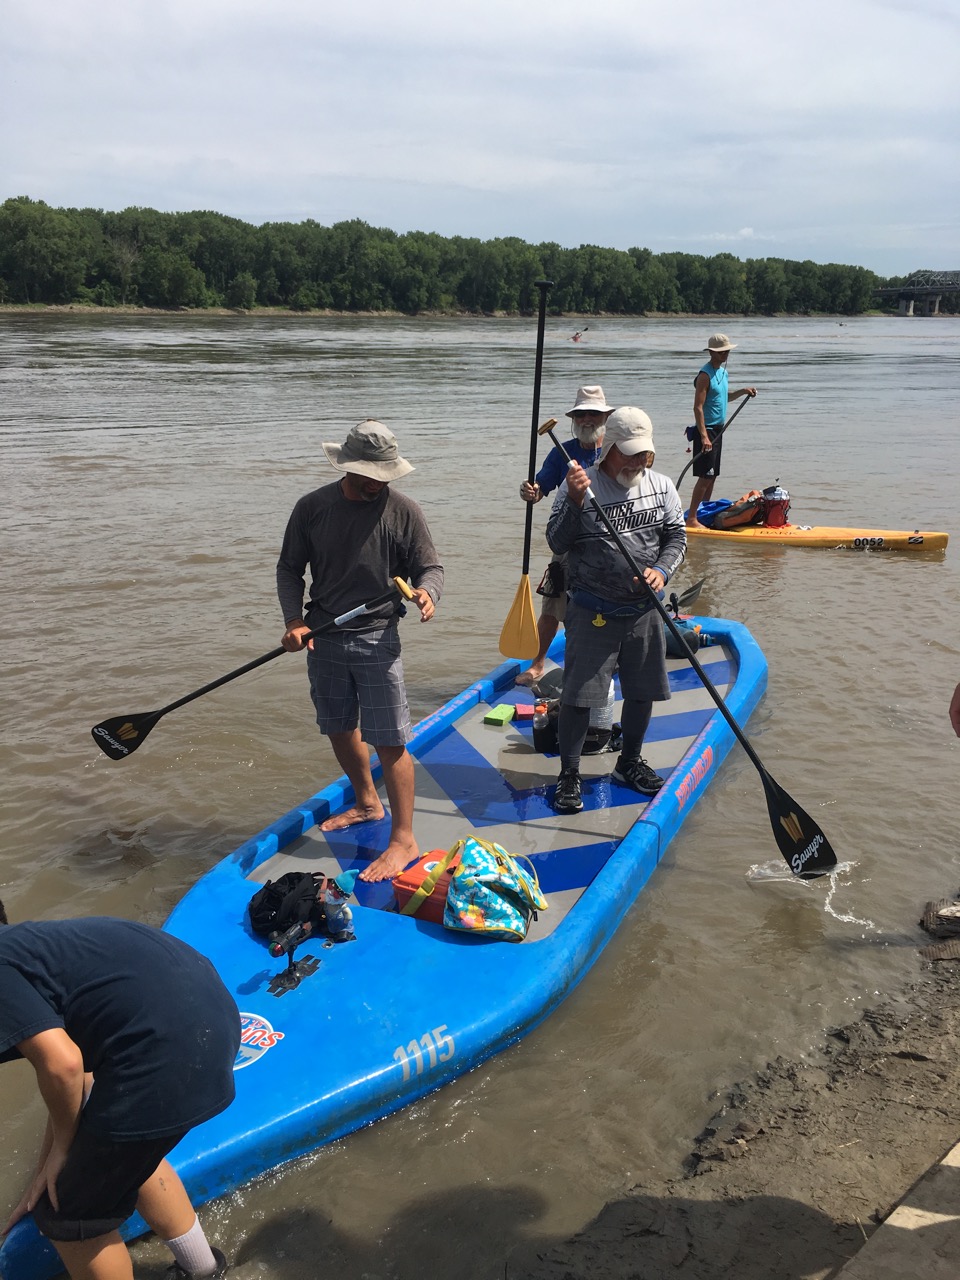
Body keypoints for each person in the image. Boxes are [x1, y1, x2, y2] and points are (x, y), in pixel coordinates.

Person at [0, 901, 240, 1280]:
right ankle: (203, 1270)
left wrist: (63, 1148)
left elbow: (63, 1064)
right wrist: (48, 1165)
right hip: (213, 1017)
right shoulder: (34, 948)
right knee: (125, 1147)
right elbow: (80, 1075)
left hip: (164, 1051)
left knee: (69, 1217)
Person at [277, 420, 443, 883]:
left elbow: (430, 567)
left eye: (384, 475)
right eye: (369, 474)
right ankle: (367, 802)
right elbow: (290, 569)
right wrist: (295, 621)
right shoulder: (311, 509)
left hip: (378, 635)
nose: (377, 483)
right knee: (337, 725)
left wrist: (428, 593)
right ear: (346, 468)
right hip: (325, 633)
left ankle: (403, 838)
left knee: (390, 738)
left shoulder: (403, 511)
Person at [546, 407, 686, 813]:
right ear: (608, 449)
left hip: (644, 611)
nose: (639, 461)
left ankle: (630, 762)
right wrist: (573, 499)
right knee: (578, 697)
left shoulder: (661, 487)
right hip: (593, 611)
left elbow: (677, 537)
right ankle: (569, 774)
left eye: (644, 454)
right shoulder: (580, 489)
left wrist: (661, 571)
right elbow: (557, 542)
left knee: (643, 693)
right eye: (629, 453)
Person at [516, 385, 613, 687]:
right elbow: (540, 488)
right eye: (581, 415)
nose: (587, 420)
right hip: (568, 543)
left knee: (604, 610)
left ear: (603, 418)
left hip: (606, 544)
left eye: (593, 414)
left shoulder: (615, 450)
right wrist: (530, 491)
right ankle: (537, 663)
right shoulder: (561, 452)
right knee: (552, 609)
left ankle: (606, 661)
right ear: (574, 419)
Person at [686, 333, 758, 530]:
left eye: (727, 350)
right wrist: (703, 436)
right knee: (705, 476)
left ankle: (703, 513)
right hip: (706, 430)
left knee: (713, 475)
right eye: (721, 351)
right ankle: (692, 519)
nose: (725, 354)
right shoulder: (704, 375)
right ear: (711, 352)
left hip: (719, 429)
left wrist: (743, 391)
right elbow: (698, 407)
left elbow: (725, 397)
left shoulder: (723, 373)